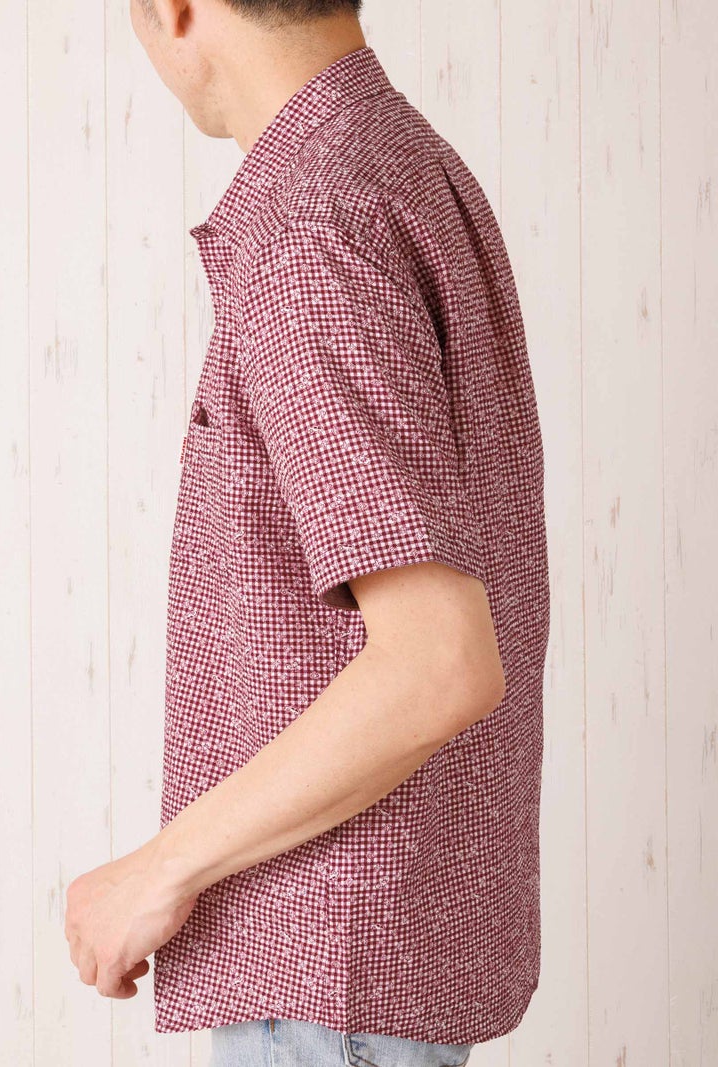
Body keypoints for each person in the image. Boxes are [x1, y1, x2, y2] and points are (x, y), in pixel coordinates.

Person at [64, 1, 550, 1065]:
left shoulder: (310, 227)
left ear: (176, 9)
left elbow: (437, 663)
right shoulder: (404, 165)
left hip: (327, 987)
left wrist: (156, 871)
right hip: (369, 973)